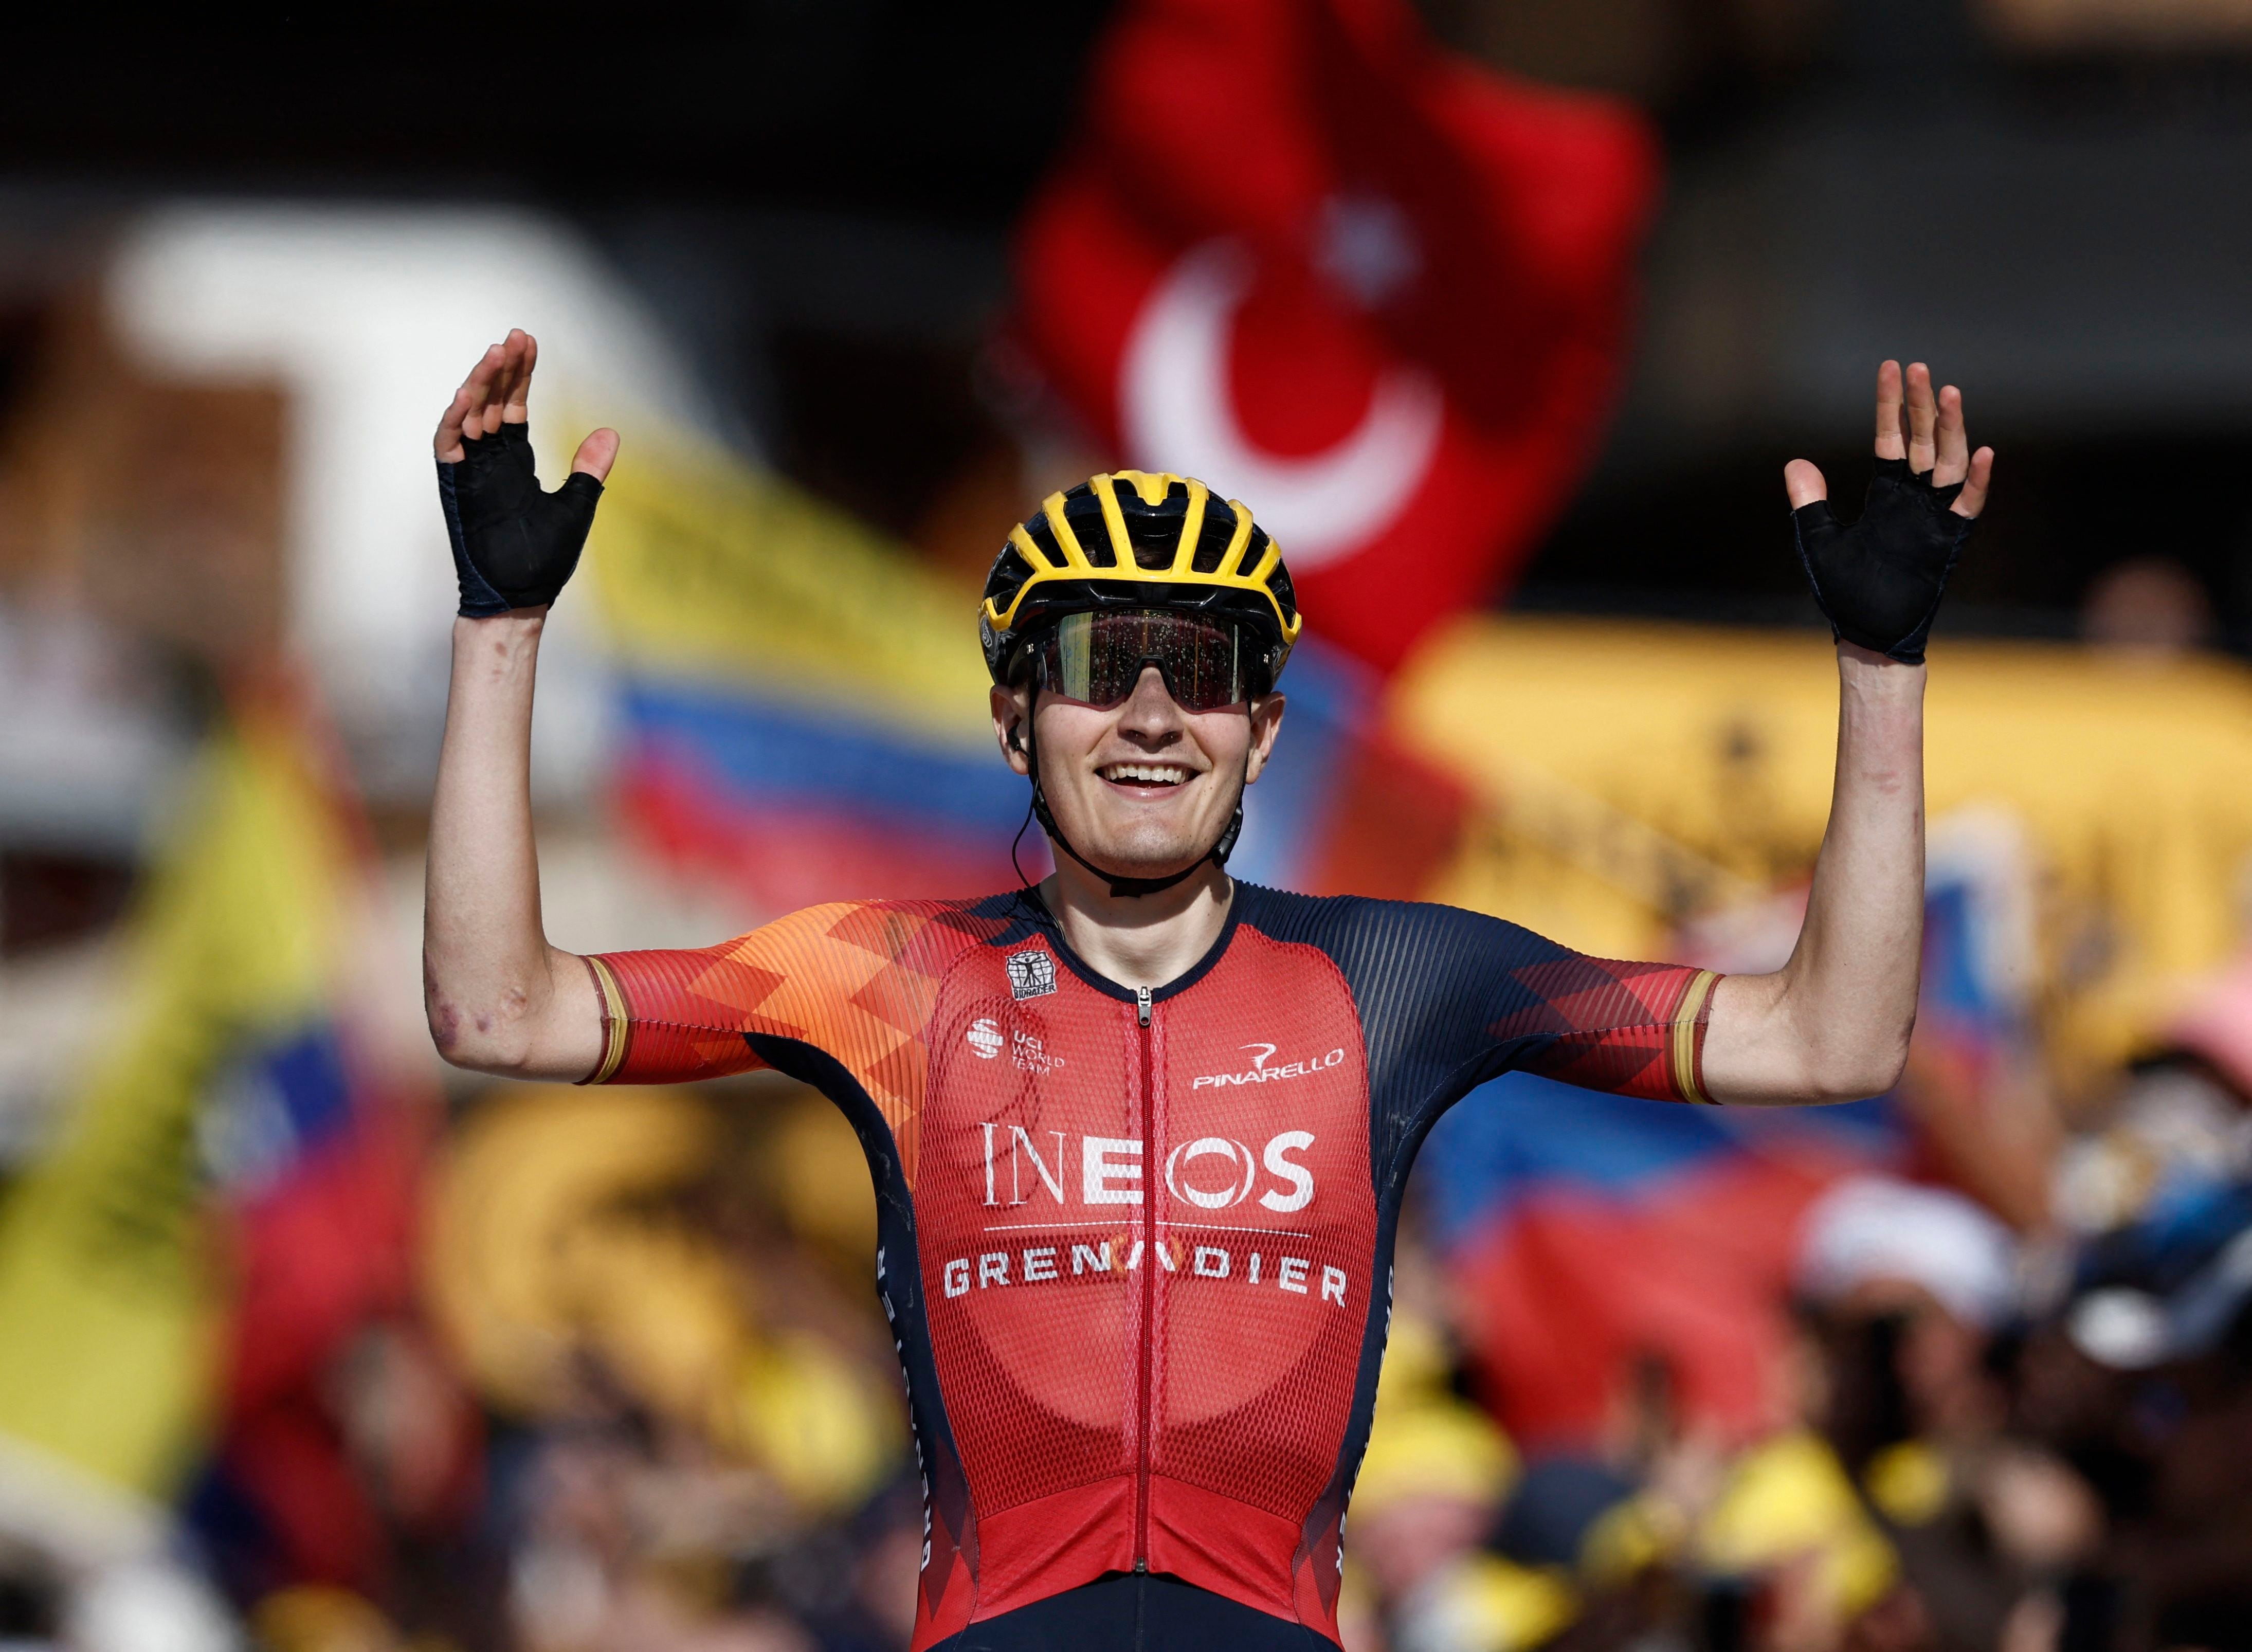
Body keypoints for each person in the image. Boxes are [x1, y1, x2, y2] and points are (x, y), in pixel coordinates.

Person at [423, 329, 1994, 1652]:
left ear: (1266, 727)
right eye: (1105, 663)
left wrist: (1881, 667)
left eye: (1210, 667)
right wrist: (500, 633)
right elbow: (500, 1013)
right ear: (1013, 715)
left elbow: (1831, 1038)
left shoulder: (1398, 974)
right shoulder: (889, 976)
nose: (1156, 715)